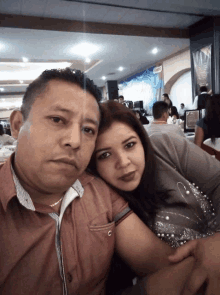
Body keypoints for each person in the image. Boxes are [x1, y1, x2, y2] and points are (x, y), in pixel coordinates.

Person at [0, 67, 194, 295]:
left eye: (88, 130)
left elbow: (161, 263)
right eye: (57, 119)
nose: (74, 141)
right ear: (17, 125)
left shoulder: (99, 191)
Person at [88, 100, 220, 294]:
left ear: (142, 141)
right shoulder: (103, 203)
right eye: (105, 155)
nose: (123, 162)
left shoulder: (165, 147)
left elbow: (218, 180)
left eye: (130, 145)